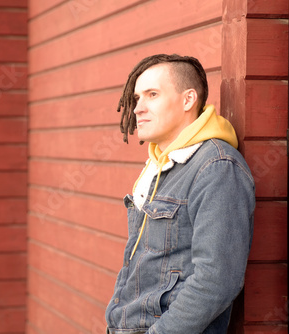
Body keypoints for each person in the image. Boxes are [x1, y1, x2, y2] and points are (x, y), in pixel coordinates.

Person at [105, 54, 255, 334]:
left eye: (152, 95)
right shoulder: (159, 166)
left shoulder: (217, 167)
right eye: (137, 98)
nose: (138, 108)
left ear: (188, 100)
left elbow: (216, 280)